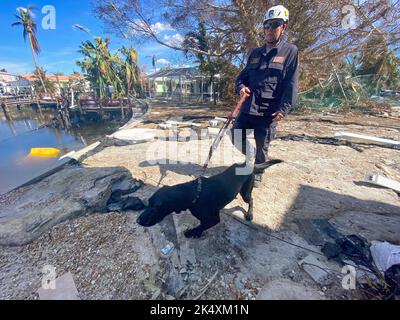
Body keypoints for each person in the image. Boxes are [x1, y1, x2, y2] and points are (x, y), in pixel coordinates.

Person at [230, 4, 299, 186]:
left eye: (275, 24)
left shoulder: (290, 51)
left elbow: (291, 83)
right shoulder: (255, 53)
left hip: (268, 112)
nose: (269, 29)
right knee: (235, 135)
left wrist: (284, 108)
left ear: (283, 27)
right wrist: (241, 87)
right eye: (266, 25)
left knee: (262, 146)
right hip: (248, 107)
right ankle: (251, 158)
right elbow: (242, 77)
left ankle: (258, 173)